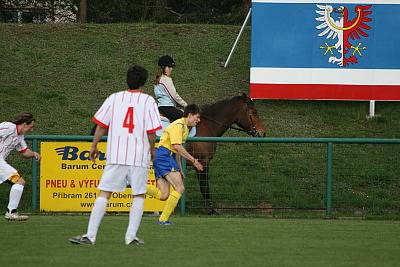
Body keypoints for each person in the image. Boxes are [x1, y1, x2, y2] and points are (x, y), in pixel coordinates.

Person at [69, 65, 162, 245]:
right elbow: (151, 131)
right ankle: (130, 237)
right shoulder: (148, 101)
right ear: (143, 82)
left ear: (127, 79)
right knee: (139, 195)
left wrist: (94, 145)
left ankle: (90, 235)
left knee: (104, 194)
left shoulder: (114, 98)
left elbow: (101, 125)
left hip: (116, 154)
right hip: (138, 155)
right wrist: (152, 149)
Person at [146, 104, 203, 225]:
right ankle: (163, 219)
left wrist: (180, 168)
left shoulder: (185, 128)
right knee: (180, 188)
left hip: (163, 156)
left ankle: (138, 186)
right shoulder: (179, 125)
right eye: (197, 117)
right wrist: (194, 160)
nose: (198, 120)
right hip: (164, 156)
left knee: (164, 195)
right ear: (189, 115)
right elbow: (176, 146)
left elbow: (177, 150)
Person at [0, 112, 41, 221]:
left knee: (19, 182)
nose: (32, 130)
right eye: (31, 127)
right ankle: (11, 212)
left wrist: (33, 154)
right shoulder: (9, 127)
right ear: (24, 124)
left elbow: (24, 151)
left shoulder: (20, 137)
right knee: (19, 181)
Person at [154, 55, 188, 122]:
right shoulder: (166, 79)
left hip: (161, 107)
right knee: (186, 119)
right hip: (167, 107)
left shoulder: (157, 79)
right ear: (165, 68)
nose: (171, 69)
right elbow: (174, 96)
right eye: (170, 67)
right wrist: (186, 105)